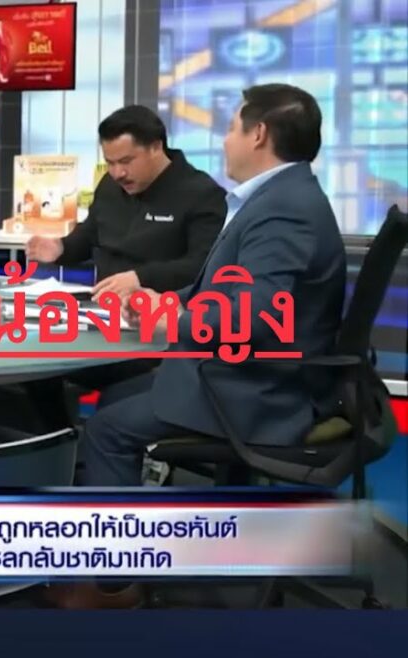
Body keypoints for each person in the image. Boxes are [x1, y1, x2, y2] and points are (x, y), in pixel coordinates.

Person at [52, 84, 344, 608]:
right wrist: (164, 304)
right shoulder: (283, 196)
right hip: (250, 373)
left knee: (107, 431)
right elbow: (224, 289)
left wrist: (172, 322)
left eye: (231, 127)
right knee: (124, 393)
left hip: (258, 388)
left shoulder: (284, 209)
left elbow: (251, 316)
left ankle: (115, 584)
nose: (225, 139)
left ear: (258, 134)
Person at [23, 106, 227, 429]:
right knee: (32, 366)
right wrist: (61, 248)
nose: (118, 173)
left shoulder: (202, 194)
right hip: (99, 320)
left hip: (157, 332)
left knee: (113, 394)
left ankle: (98, 445)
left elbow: (203, 266)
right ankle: (62, 444)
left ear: (156, 147)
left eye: (126, 161)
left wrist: (140, 278)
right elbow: (90, 234)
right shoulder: (110, 186)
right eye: (111, 163)